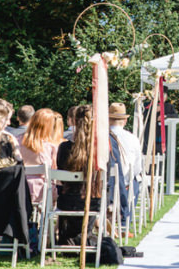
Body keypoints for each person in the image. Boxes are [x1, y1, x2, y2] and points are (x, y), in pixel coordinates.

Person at [55, 105, 103, 244]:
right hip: (92, 202)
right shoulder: (99, 151)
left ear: (73, 121)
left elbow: (60, 176)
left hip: (67, 202)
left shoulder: (64, 148)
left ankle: (68, 240)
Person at [109, 102, 143, 230]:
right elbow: (137, 168)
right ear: (125, 120)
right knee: (135, 180)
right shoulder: (132, 139)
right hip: (126, 184)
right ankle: (125, 220)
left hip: (103, 184)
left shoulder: (99, 137)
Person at [18, 109, 61, 203]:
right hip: (43, 193)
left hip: (18, 189)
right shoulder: (50, 146)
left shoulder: (17, 141)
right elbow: (55, 171)